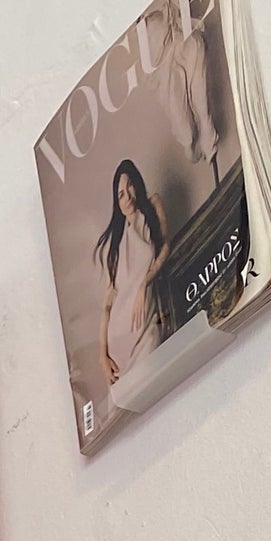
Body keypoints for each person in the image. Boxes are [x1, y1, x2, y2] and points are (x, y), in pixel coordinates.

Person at [97, 158, 167, 383]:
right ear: (116, 203)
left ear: (137, 184)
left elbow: (166, 246)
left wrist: (145, 283)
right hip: (118, 342)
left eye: (129, 187)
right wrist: (102, 356)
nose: (126, 196)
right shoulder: (114, 245)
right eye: (120, 194)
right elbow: (107, 306)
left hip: (146, 329)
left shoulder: (153, 206)